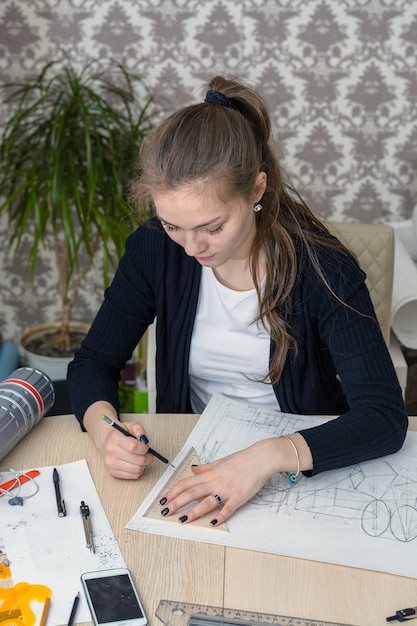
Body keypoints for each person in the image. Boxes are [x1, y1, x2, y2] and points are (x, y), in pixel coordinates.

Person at [67, 75, 408, 527]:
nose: (191, 248)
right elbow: (93, 363)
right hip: (191, 452)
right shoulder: (154, 249)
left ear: (256, 190)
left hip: (297, 461)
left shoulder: (324, 267)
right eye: (173, 225)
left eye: (211, 227)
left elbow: (383, 416)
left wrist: (266, 457)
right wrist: (104, 431)